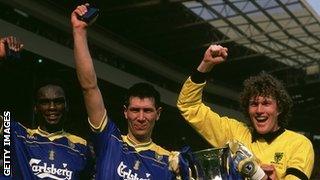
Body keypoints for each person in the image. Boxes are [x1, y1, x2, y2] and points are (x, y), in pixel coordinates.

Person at [71, 4, 191, 180]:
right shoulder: (109, 141)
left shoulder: (169, 162)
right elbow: (89, 87)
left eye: (147, 111)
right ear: (125, 111)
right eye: (135, 110)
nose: (141, 117)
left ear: (158, 114)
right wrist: (79, 31)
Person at [177, 44, 314, 180]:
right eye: (254, 104)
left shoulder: (299, 144)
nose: (259, 110)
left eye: (266, 103)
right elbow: (189, 105)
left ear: (279, 109)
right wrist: (205, 65)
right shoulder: (234, 133)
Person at [0, 37, 93, 179]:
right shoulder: (17, 135)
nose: (52, 107)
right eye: (45, 102)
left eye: (58, 102)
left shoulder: (82, 147)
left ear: (66, 106)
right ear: (36, 108)